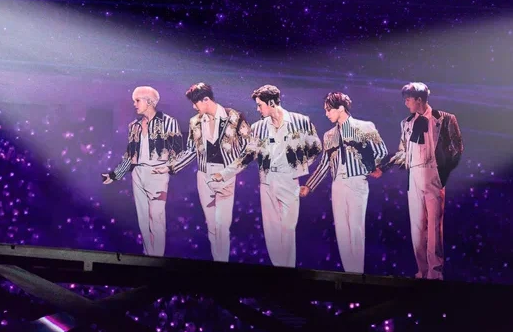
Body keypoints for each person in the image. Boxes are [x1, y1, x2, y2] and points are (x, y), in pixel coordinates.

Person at [210, 85, 322, 268]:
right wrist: (224, 174)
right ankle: (278, 272)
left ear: (271, 103)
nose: (257, 109)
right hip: (267, 182)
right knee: (271, 232)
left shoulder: (301, 121)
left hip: (289, 181)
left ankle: (288, 273)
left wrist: (299, 166)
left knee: (288, 230)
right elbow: (246, 156)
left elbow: (316, 148)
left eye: (259, 105)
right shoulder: (258, 127)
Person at [156, 82, 251, 263]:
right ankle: (218, 263)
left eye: (195, 102)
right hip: (204, 176)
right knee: (212, 227)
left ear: (206, 99)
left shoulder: (235, 117)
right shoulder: (195, 121)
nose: (194, 107)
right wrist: (169, 167)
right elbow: (191, 151)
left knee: (222, 226)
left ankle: (222, 265)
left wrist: (229, 172)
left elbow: (250, 148)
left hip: (225, 176)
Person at [300, 92, 388, 274]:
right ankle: (350, 274)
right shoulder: (329, 135)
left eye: (329, 110)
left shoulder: (364, 127)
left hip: (356, 182)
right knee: (342, 231)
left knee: (355, 229)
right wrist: (309, 186)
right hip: (337, 184)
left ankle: (357, 274)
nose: (326, 114)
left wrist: (371, 168)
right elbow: (324, 165)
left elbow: (381, 151)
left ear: (341, 108)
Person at [384, 82, 463, 280]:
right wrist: (384, 166)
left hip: (433, 175)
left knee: (434, 227)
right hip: (414, 177)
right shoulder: (406, 123)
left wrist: (442, 173)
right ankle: (422, 271)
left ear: (419, 99)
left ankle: (435, 274)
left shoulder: (444, 119)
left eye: (408, 99)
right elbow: (403, 152)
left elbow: (457, 149)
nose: (406, 103)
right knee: (417, 228)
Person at [102, 86, 183, 257]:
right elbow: (129, 155)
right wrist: (115, 175)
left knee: (157, 218)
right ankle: (148, 255)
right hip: (138, 174)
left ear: (149, 102)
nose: (134, 104)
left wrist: (168, 167)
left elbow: (178, 151)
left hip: (157, 174)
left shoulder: (168, 122)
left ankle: (157, 259)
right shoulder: (134, 126)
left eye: (137, 100)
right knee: (143, 220)